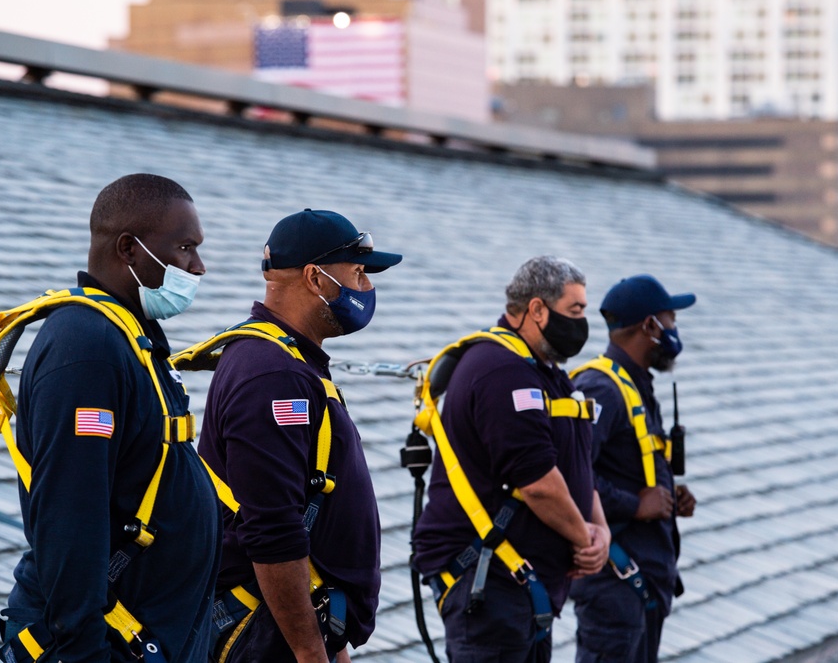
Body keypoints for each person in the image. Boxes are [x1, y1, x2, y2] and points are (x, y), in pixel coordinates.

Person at [0, 173, 221, 662]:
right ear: (129, 250)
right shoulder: (87, 349)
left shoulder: (128, 338)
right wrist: (83, 652)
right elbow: (70, 516)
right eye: (184, 248)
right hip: (103, 645)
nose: (197, 267)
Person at [195, 208, 402, 663]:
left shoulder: (291, 361)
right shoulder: (272, 376)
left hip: (289, 626)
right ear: (315, 278)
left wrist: (330, 645)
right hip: (263, 631)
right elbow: (272, 530)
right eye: (359, 273)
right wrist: (310, 651)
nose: (367, 288)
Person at [411, 255, 611, 663]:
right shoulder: (502, 371)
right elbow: (536, 481)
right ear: (537, 309)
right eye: (575, 311)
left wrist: (600, 530)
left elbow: (574, 464)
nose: (582, 323)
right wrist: (583, 538)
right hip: (488, 585)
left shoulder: (545, 372)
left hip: (521, 588)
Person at [569, 274, 698, 663]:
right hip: (616, 587)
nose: (675, 331)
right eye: (671, 320)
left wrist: (668, 496)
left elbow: (628, 465)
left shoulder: (636, 385)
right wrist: (635, 504)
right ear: (650, 326)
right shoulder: (602, 389)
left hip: (641, 586)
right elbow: (573, 475)